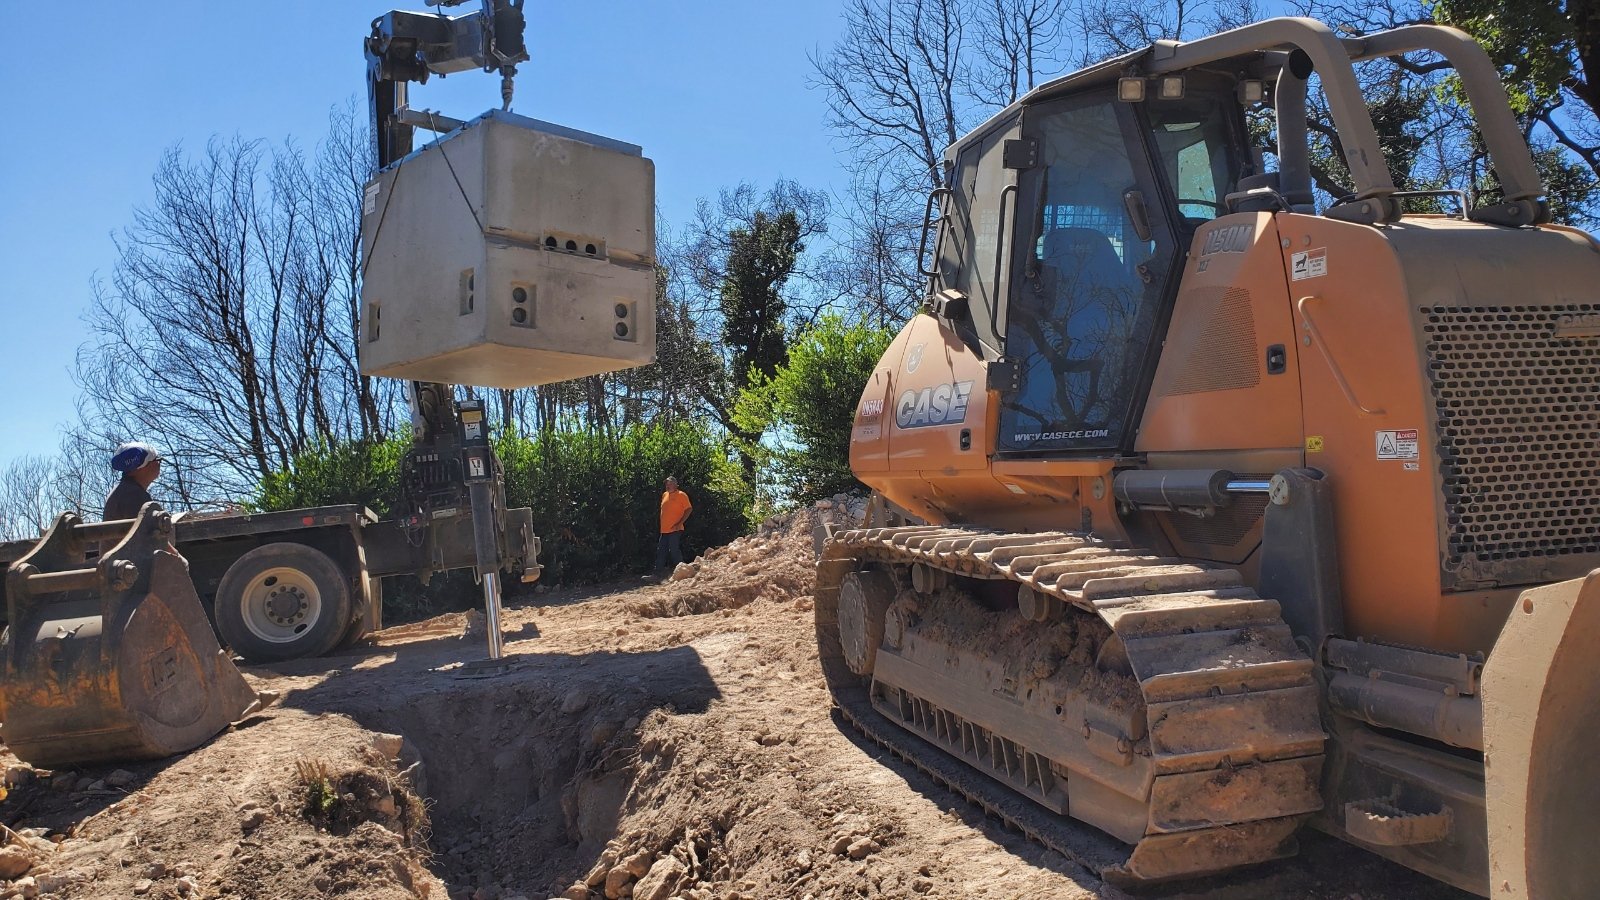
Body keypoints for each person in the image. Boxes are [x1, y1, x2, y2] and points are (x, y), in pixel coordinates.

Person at [103, 442, 163, 521]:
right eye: (157, 460)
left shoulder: (122, 491)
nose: (158, 464)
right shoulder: (135, 496)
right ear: (142, 467)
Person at [652, 476, 693, 578]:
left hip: (675, 529)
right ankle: (657, 575)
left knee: (674, 550)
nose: (667, 486)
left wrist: (680, 523)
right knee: (661, 551)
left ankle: (683, 574)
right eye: (666, 484)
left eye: (670, 483)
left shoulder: (681, 495)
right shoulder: (664, 495)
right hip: (664, 530)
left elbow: (689, 509)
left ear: (676, 484)